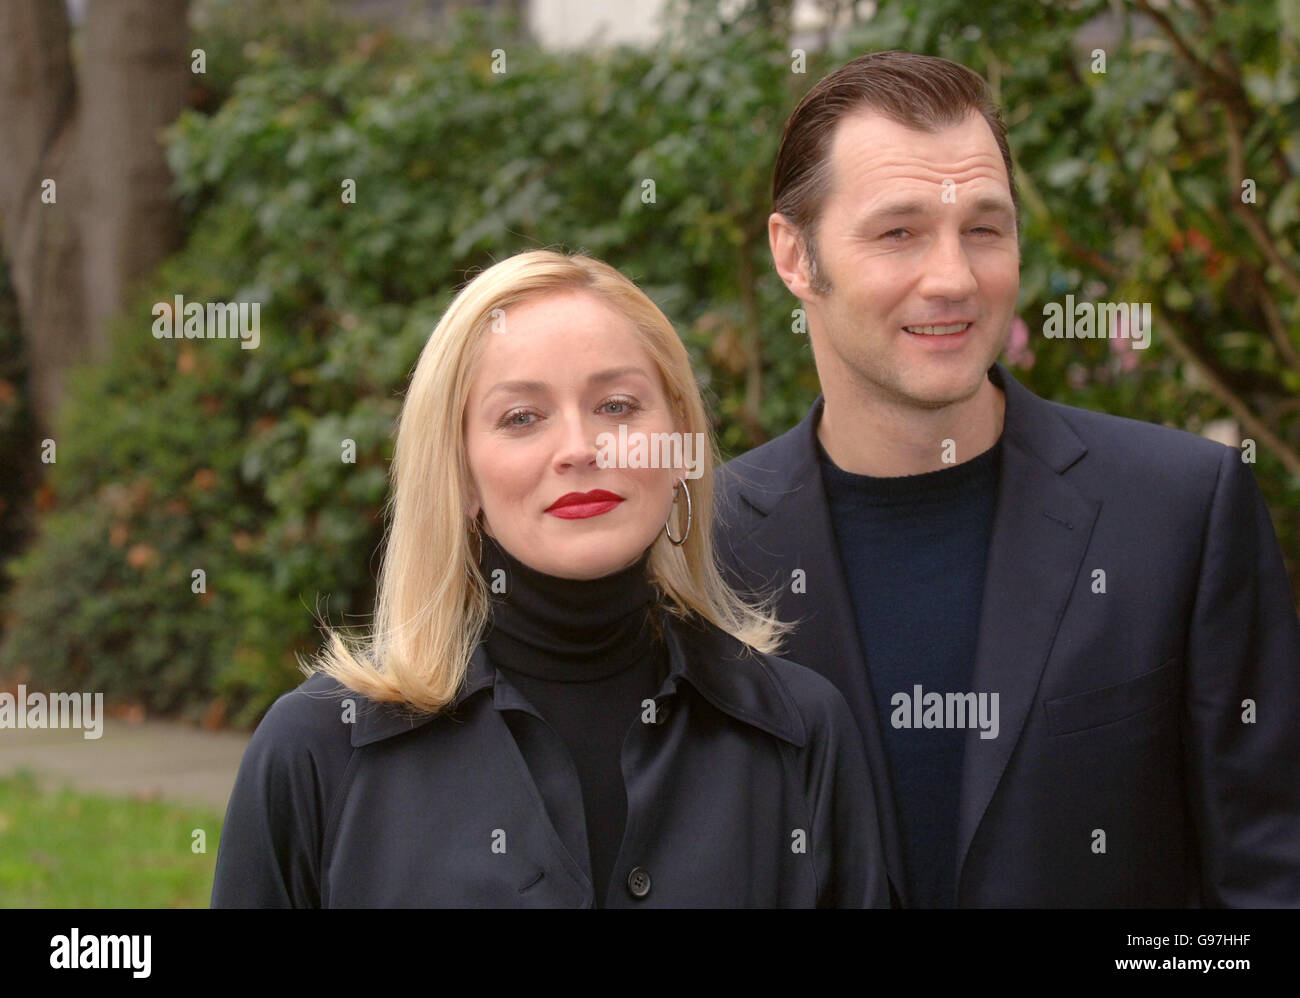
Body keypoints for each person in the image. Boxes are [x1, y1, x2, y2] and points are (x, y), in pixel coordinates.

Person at [715, 50, 1300, 908]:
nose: (954, 278)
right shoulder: (705, 543)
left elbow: (1268, 883)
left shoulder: (1181, 510)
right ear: (795, 256)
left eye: (984, 228)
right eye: (899, 232)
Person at [210, 249, 889, 908]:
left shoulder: (799, 733)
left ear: (681, 441)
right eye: (522, 418)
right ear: (461, 474)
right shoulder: (317, 750)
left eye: (618, 406)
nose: (579, 449)